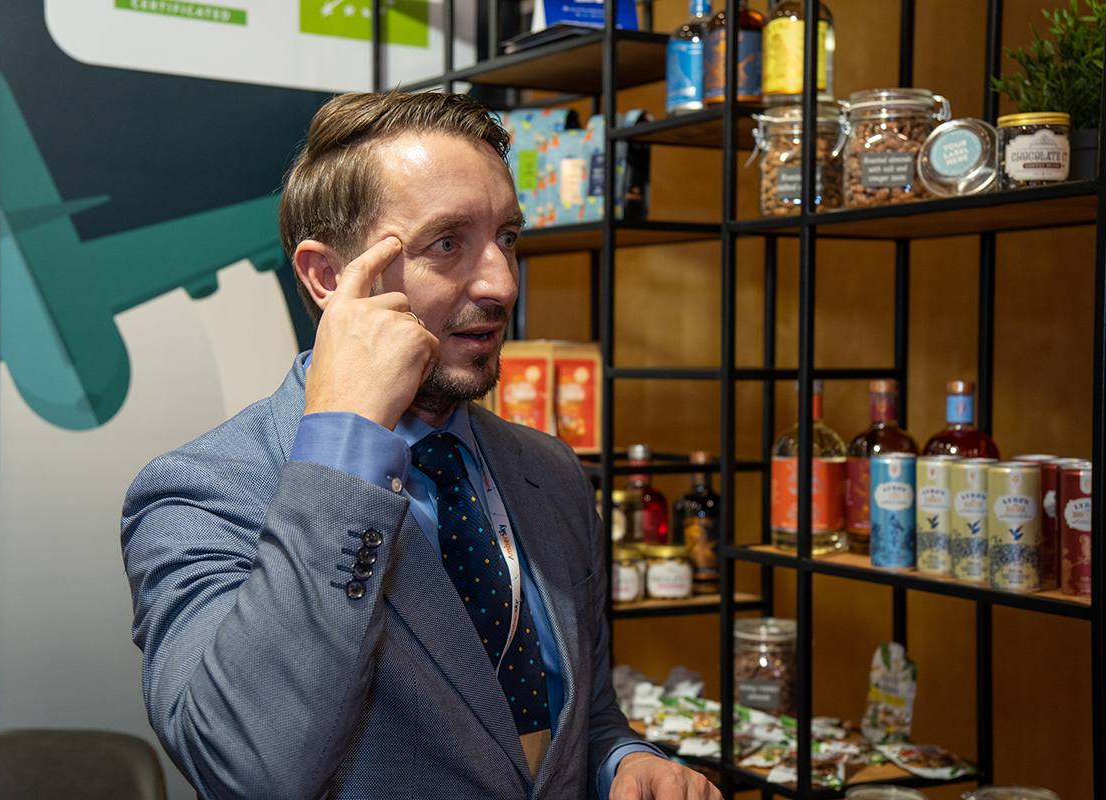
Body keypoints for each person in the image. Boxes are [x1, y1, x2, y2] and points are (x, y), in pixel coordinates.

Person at [121, 90, 720, 800]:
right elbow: (248, 769)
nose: (502, 283)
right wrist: (346, 439)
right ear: (329, 278)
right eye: (447, 244)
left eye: (507, 237)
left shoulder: (549, 470)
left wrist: (623, 761)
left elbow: (578, 717)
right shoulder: (203, 493)